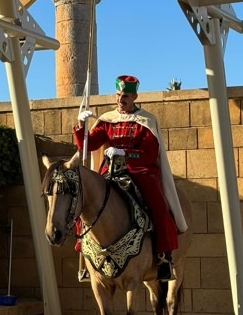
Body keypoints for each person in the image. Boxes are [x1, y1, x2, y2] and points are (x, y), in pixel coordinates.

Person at [73, 74, 187, 281]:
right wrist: (82, 126)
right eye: (118, 95)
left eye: (125, 96)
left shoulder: (147, 120)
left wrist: (126, 154)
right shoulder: (108, 120)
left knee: (159, 207)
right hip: (110, 172)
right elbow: (86, 146)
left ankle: (163, 257)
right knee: (85, 201)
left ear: (134, 97)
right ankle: (84, 252)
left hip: (140, 171)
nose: (120, 100)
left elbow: (151, 153)